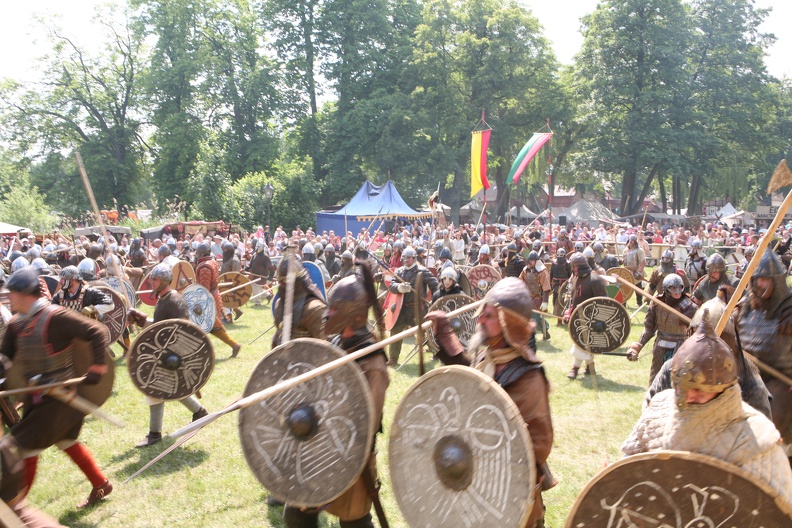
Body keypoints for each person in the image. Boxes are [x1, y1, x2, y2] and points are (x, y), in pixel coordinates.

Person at [622, 315, 792, 507]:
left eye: (700, 391)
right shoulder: (657, 413)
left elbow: (777, 510)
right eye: (684, 388)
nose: (690, 396)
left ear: (723, 389)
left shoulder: (758, 439)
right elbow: (628, 473)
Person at [426, 278, 554, 527]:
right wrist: (444, 332)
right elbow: (470, 379)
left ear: (510, 324)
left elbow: (538, 445)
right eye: (481, 313)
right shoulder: (487, 357)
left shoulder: (529, 378)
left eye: (488, 315)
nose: (480, 320)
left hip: (512, 495)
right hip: (477, 485)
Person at [283, 266, 389, 528]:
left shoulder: (373, 363)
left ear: (355, 317)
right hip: (319, 444)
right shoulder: (338, 344)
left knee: (354, 521)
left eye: (335, 309)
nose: (327, 314)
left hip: (350, 456)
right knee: (296, 513)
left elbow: (369, 424)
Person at [0, 268, 113, 509]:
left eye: (12, 293)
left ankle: (14, 510)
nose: (9, 298)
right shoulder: (16, 325)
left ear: (26, 294)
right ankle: (101, 483)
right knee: (65, 441)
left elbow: (96, 332)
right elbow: (4, 360)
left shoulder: (55, 317)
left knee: (18, 449)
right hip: (37, 400)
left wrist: (97, 369)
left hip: (60, 400)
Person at [127, 263, 209, 447]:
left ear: (164, 281)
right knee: (170, 387)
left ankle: (154, 434)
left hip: (173, 355)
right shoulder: (163, 299)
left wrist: (177, 356)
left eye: (154, 279)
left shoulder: (174, 301)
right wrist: (142, 320)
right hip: (164, 353)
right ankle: (199, 412)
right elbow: (161, 327)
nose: (151, 282)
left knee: (155, 388)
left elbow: (183, 330)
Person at [733, 248, 792, 463]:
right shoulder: (745, 307)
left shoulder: (789, 307)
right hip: (748, 377)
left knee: (773, 408)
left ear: (777, 281)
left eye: (767, 280)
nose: (761, 285)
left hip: (783, 382)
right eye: (758, 279)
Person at [627, 273, 698, 384]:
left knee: (676, 383)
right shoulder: (657, 303)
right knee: (655, 381)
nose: (677, 291)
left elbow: (697, 332)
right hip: (660, 346)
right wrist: (637, 347)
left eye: (679, 287)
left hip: (680, 347)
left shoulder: (689, 306)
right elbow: (649, 328)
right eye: (673, 288)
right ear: (666, 289)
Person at [387, 246, 438, 366]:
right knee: (396, 331)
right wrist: (400, 287)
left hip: (418, 308)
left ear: (414, 258)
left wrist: (435, 302)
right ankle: (393, 359)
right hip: (402, 308)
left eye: (408, 258)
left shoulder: (422, 271)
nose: (405, 260)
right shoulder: (399, 271)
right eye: (404, 257)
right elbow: (392, 285)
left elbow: (435, 286)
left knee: (427, 331)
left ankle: (437, 352)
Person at [564, 252, 607, 379]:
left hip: (592, 319)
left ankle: (575, 369)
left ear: (579, 266)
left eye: (574, 266)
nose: (572, 269)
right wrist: (569, 313)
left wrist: (600, 320)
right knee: (583, 343)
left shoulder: (594, 280)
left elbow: (603, 301)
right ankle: (590, 367)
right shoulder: (576, 279)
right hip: (578, 317)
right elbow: (574, 299)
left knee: (581, 343)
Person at [194, 243, 242, 357]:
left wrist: (200, 301)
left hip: (208, 298)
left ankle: (234, 345)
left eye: (197, 253)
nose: (195, 255)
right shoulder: (213, 262)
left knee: (206, 325)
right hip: (213, 295)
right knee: (211, 326)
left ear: (201, 253)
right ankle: (233, 345)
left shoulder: (205, 266)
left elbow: (204, 288)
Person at [520, 251, 551, 340]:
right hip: (527, 298)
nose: (531, 262)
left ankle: (529, 337)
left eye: (533, 260)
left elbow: (546, 288)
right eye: (530, 260)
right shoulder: (525, 270)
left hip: (537, 299)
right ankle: (546, 331)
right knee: (535, 317)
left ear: (537, 261)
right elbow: (520, 281)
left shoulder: (542, 271)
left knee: (533, 318)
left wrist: (545, 301)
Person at [622, 234, 646, 306]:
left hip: (636, 270)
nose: (631, 242)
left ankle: (639, 302)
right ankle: (623, 303)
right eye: (631, 240)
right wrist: (621, 261)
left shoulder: (639, 250)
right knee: (625, 287)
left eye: (633, 241)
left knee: (638, 287)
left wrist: (638, 272)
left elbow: (643, 262)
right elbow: (624, 260)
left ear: (636, 242)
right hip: (627, 271)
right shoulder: (625, 250)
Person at [549, 248, 572, 324]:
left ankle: (565, 318)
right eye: (558, 256)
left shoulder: (568, 264)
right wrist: (550, 285)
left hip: (565, 287)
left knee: (565, 302)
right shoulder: (554, 263)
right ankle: (558, 318)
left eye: (561, 256)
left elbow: (570, 275)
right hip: (556, 286)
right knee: (555, 301)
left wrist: (569, 285)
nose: (559, 258)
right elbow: (551, 274)